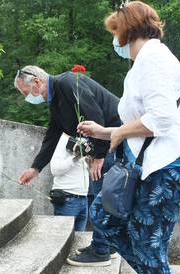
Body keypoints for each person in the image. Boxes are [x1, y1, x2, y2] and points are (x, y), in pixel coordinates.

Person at [67, 2, 180, 273]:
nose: (114, 38)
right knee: (106, 218)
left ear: (126, 30)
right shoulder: (145, 61)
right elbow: (142, 123)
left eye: (115, 30)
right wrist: (104, 132)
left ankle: (153, 269)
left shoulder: (154, 58)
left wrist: (119, 131)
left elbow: (161, 119)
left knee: (148, 245)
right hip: (156, 162)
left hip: (169, 165)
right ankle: (152, 269)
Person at [14, 65, 121, 265]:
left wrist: (98, 155)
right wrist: (35, 168)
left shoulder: (68, 83)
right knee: (101, 193)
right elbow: (53, 135)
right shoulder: (55, 99)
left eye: (26, 93)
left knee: (101, 195)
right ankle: (106, 244)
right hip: (106, 144)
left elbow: (95, 116)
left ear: (37, 82)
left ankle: (100, 251)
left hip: (114, 140)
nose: (26, 98)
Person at [50, 133, 90, 232]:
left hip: (83, 198)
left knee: (78, 242)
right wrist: (75, 157)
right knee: (62, 240)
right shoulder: (64, 138)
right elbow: (55, 169)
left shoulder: (87, 140)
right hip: (67, 198)